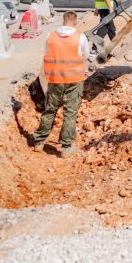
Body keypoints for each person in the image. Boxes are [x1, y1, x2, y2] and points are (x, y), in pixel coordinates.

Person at [32, 11, 89, 158]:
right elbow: (86, 55)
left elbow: (46, 53)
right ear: (75, 21)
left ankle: (39, 142)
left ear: (63, 20)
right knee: (70, 112)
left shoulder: (50, 36)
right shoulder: (80, 37)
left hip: (55, 79)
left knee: (50, 109)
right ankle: (66, 147)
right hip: (74, 80)